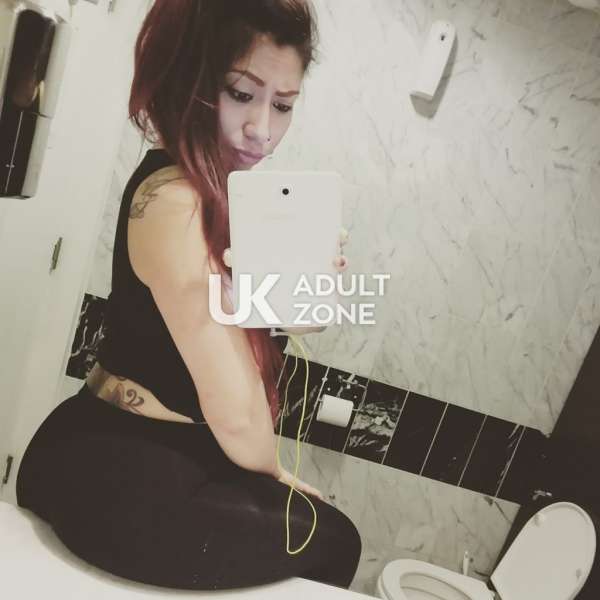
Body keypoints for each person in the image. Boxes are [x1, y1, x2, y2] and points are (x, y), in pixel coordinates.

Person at [15, 0, 362, 592]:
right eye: (241, 93)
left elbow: (190, 332)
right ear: (187, 79)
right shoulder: (177, 204)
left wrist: (288, 309)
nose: (263, 129)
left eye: (283, 105)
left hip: (114, 450)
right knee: (336, 543)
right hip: (124, 472)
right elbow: (236, 416)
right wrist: (274, 469)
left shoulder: (201, 193)